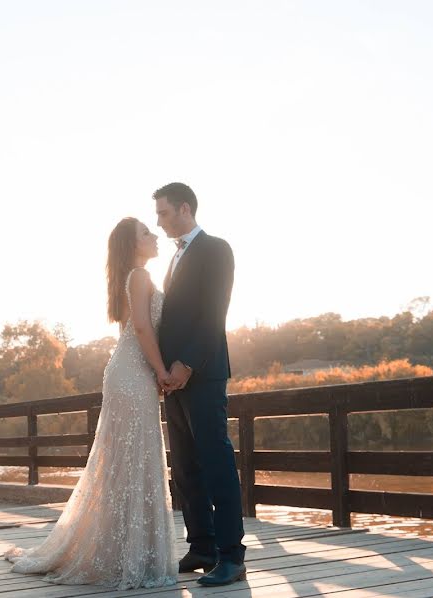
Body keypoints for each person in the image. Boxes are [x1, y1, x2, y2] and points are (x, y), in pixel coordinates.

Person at [5, 217, 177, 590]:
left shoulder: (131, 278)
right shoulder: (141, 277)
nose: (155, 236)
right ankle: (126, 553)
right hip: (133, 375)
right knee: (132, 458)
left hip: (128, 372)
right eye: (146, 233)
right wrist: (162, 370)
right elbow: (145, 331)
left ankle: (126, 550)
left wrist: (153, 372)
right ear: (133, 245)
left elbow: (134, 332)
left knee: (129, 459)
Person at [154, 182, 247, 586]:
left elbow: (214, 315)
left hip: (203, 373)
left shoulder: (216, 249)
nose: (158, 223)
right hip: (173, 382)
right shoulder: (173, 258)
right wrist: (162, 372)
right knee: (186, 467)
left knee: (216, 461)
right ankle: (202, 545)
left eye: (163, 213)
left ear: (185, 208)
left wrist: (187, 364)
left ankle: (231, 555)